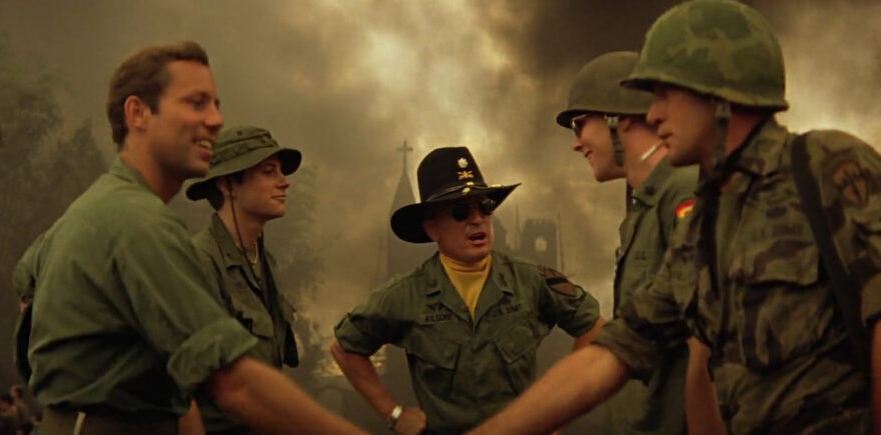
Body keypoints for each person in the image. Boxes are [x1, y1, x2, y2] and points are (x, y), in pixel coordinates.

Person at [471, 1, 881, 433]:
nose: (653, 113)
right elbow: (615, 351)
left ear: (719, 92)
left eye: (666, 94)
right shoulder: (705, 228)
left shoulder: (823, 165)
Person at [14, 41, 362, 434]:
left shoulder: (98, 210)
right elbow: (234, 385)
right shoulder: (138, 224)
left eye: (215, 105)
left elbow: (26, 280)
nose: (215, 120)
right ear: (137, 113)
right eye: (195, 104)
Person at [332, 146, 605, 434]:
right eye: (460, 212)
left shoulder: (530, 280)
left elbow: (593, 325)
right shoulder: (405, 294)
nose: (477, 219)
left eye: (485, 207)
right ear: (432, 229)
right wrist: (394, 413)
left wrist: (559, 410)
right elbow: (345, 348)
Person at [555, 51, 697, 434]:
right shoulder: (643, 208)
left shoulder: (683, 191)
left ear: (621, 118)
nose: (576, 143)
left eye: (580, 125)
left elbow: (704, 347)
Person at [179, 125, 303, 433]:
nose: (284, 181)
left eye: (281, 171)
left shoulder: (263, 260)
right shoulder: (199, 262)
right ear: (228, 185)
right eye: (269, 172)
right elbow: (180, 391)